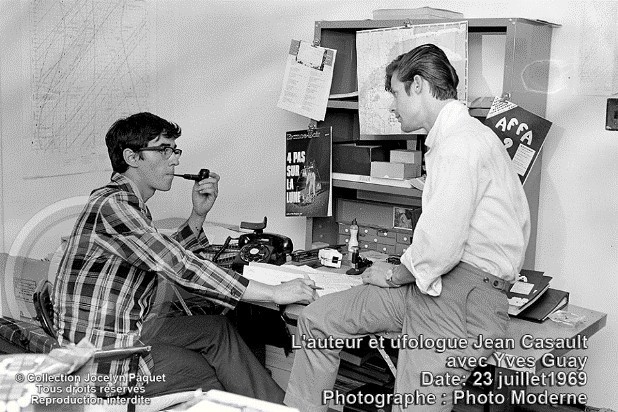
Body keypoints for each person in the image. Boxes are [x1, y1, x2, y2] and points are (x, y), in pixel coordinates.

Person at [284, 44, 530, 412]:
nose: (392, 106)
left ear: (418, 85)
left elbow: (440, 247)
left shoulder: (460, 145)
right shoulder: (459, 140)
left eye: (395, 93)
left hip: (461, 301)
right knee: (318, 320)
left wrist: (395, 274)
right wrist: (400, 273)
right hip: (433, 285)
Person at [53, 112, 318, 402]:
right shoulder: (113, 207)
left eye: (174, 150)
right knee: (210, 375)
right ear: (131, 157)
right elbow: (178, 265)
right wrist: (274, 292)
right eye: (163, 150)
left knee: (216, 329)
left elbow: (159, 254)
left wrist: (198, 215)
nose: (174, 160)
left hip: (121, 332)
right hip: (105, 359)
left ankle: (277, 407)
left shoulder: (121, 202)